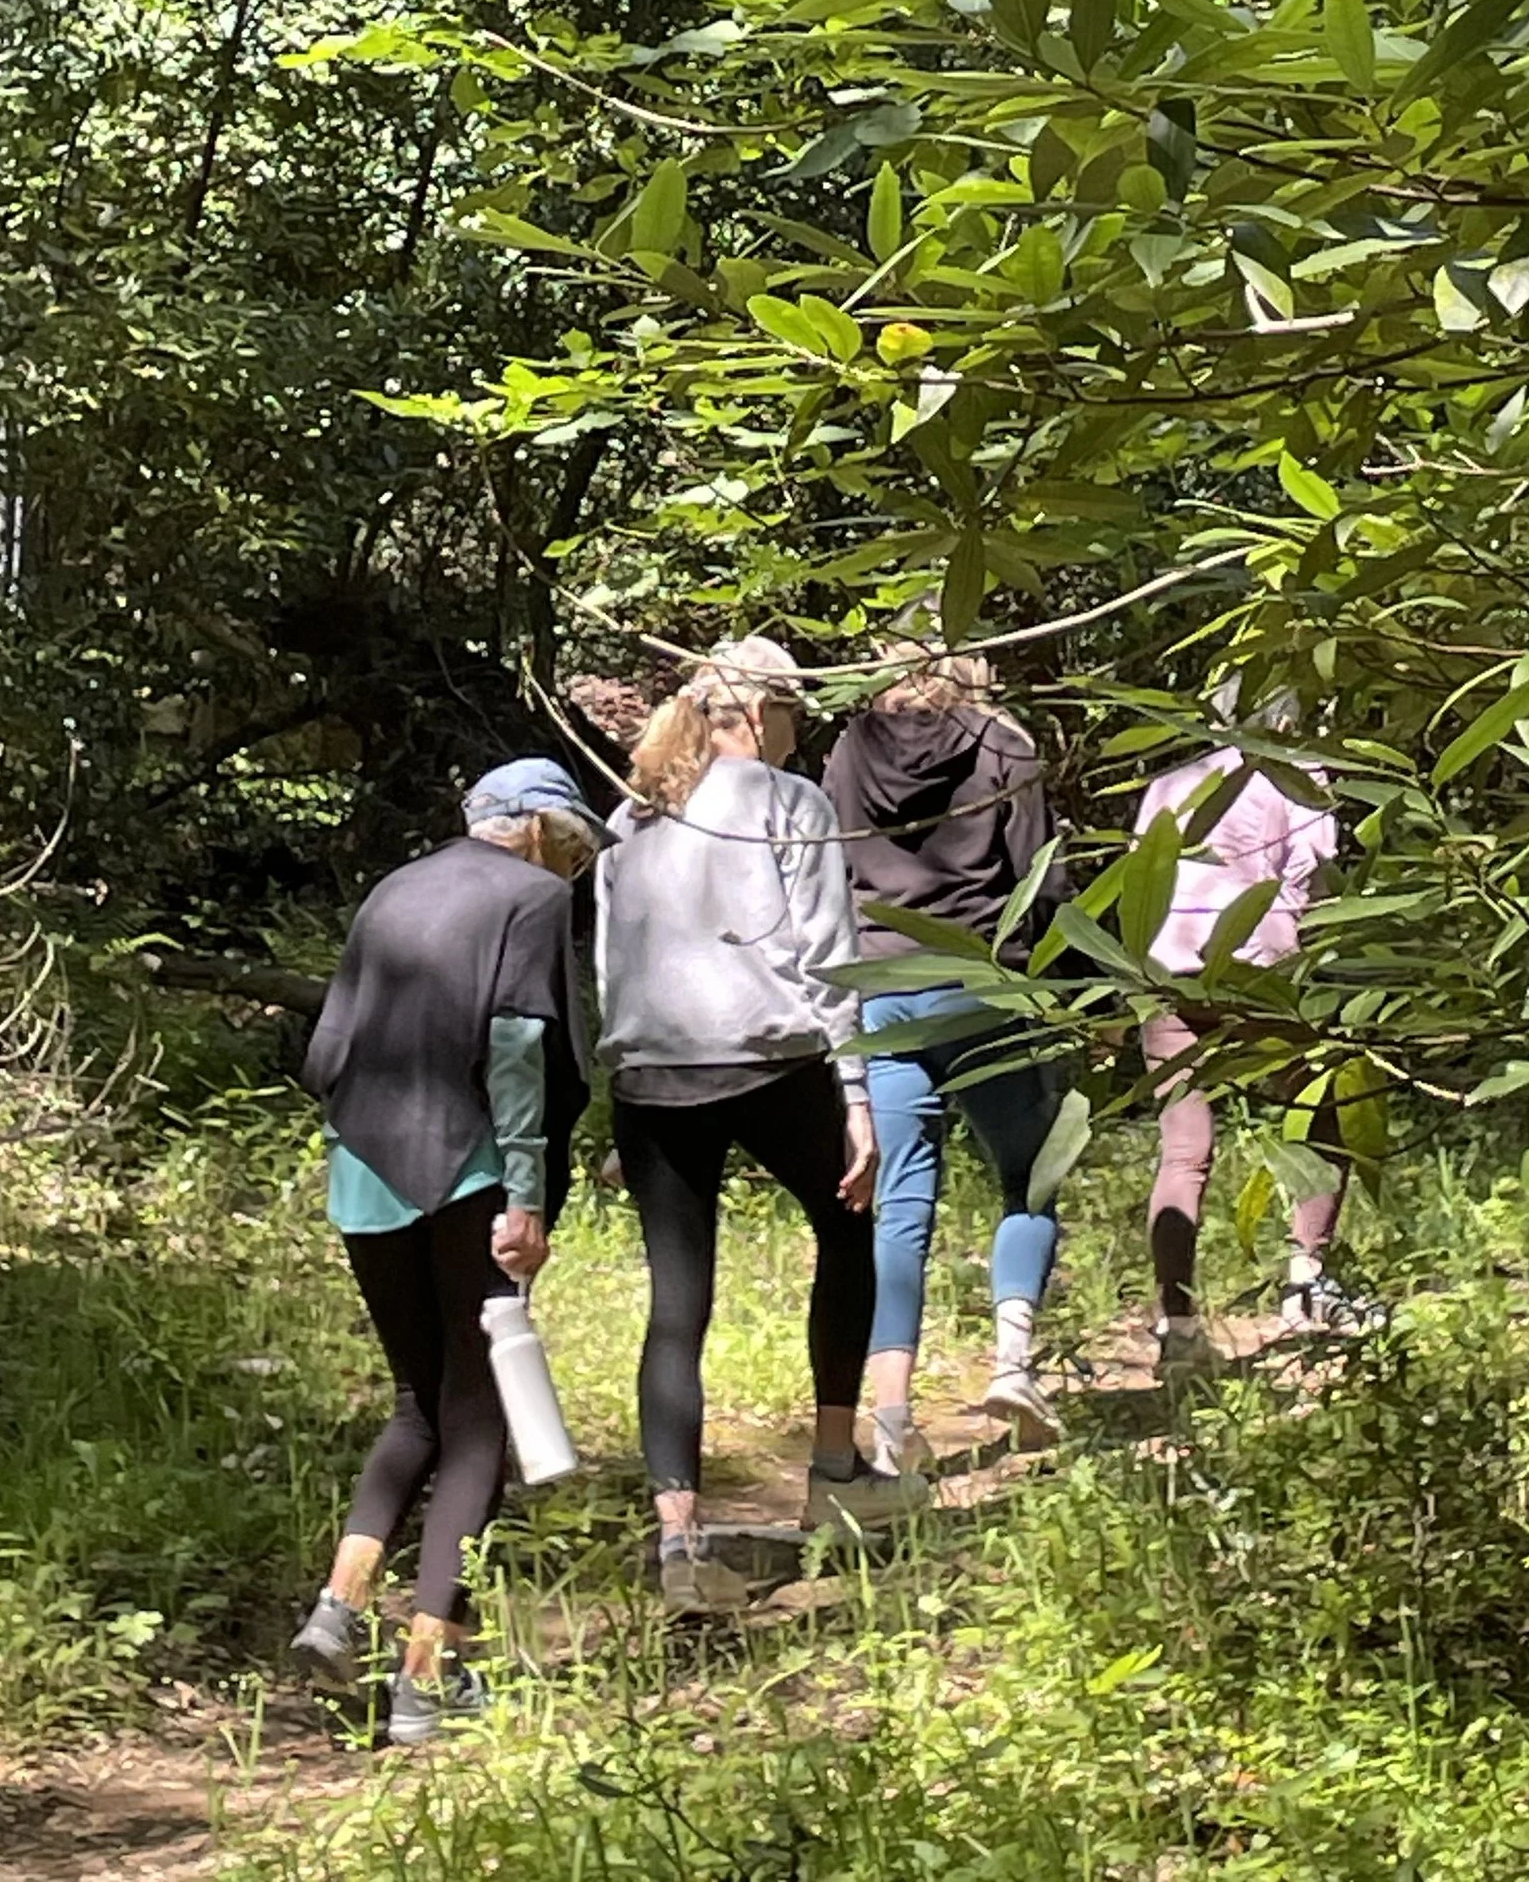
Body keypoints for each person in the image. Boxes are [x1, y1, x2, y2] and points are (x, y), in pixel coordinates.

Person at [595, 634, 923, 1614]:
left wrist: (625, 1072)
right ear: (760, 712)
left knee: (675, 1302)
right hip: (770, 1058)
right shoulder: (789, 803)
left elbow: (613, 967)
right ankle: (834, 1472)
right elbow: (829, 956)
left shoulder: (632, 816)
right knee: (847, 1227)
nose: (799, 734)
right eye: (793, 715)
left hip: (651, 1072)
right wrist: (857, 1098)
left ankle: (680, 1540)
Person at [288, 756, 600, 1737]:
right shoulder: (531, 901)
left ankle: (338, 1610)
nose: (575, 869)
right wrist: (528, 1195)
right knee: (479, 1423)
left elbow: (328, 1049)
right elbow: (516, 1051)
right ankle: (421, 1681)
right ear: (542, 830)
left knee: (417, 1405)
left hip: (361, 1172)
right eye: (576, 847)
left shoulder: (395, 889)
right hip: (470, 1176)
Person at [821, 649, 1071, 1462]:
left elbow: (830, 868)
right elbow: (1043, 878)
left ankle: (891, 1425)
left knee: (899, 1206)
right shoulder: (1006, 746)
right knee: (1030, 1174)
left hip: (883, 986)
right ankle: (1013, 1362)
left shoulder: (848, 748)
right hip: (979, 981)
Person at [1134, 693, 1347, 1363]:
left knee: (1184, 1151)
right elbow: (1314, 882)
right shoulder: (1298, 778)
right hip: (1258, 973)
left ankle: (1178, 1321)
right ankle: (1306, 1284)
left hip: (1167, 972)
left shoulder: (1168, 783)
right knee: (1320, 1121)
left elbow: (1140, 878)